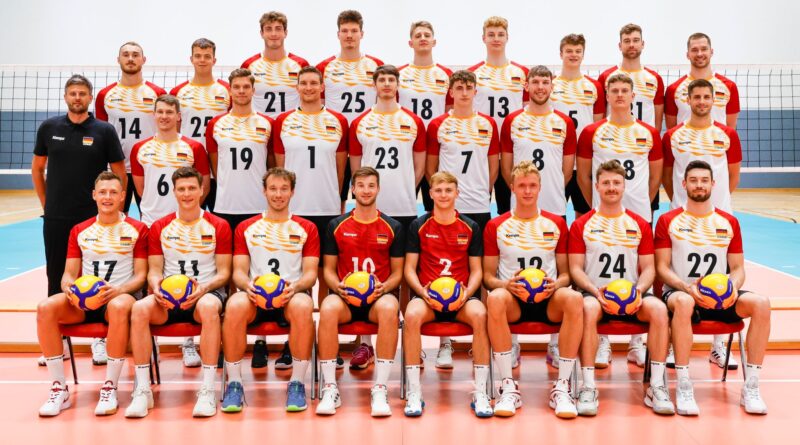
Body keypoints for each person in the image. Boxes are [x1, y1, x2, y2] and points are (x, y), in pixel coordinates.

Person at [655, 160, 770, 415]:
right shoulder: (667, 220)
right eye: (693, 180)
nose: (699, 185)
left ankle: (751, 386)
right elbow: (661, 268)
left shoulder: (728, 221)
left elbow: (738, 268)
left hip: (720, 297)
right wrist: (686, 287)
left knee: (761, 303)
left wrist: (732, 289)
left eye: (704, 180)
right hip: (682, 294)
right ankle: (684, 385)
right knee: (684, 303)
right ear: (684, 184)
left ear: (713, 184)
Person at [32, 74, 126, 367]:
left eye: (82, 93)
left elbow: (120, 173)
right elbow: (38, 169)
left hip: (93, 218)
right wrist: (48, 205)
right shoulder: (49, 128)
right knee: (56, 274)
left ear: (89, 97)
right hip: (58, 217)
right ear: (65, 97)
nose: (77, 97)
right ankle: (56, 341)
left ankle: (99, 339)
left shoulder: (104, 130)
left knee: (95, 276)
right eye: (72, 93)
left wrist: (114, 208)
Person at [37, 172, 147, 417]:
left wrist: (118, 290)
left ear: (122, 197)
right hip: (82, 303)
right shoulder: (80, 230)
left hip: (118, 298)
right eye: (103, 192)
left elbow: (141, 276)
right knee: (45, 307)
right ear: (94, 195)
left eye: (113, 192)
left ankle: (110, 387)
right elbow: (68, 274)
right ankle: (59, 388)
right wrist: (68, 288)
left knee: (119, 306)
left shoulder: (137, 229)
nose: (107, 197)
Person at [125, 167, 232, 418]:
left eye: (192, 188)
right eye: (181, 189)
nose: (187, 194)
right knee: (139, 308)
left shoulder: (218, 225)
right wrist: (158, 287)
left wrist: (203, 288)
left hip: (205, 294)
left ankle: (207, 389)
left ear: (202, 190)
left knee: (207, 307)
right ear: (174, 192)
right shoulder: (160, 226)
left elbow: (224, 273)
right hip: (168, 297)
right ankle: (142, 389)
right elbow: (153, 270)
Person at [569, 160, 673, 416]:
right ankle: (588, 386)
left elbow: (649, 267)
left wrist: (639, 290)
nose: (611, 188)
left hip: (632, 295)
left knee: (659, 311)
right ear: (597, 186)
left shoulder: (638, 223)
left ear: (624, 187)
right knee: (587, 308)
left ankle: (656, 385)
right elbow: (575, 269)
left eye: (616, 183)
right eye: (606, 183)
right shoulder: (582, 224)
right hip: (596, 294)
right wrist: (594, 291)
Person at [484, 161, 583, 418]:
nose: (527, 191)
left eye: (532, 186)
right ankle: (508, 386)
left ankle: (562, 386)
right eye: (522, 186)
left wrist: (556, 284)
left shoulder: (556, 224)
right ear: (512, 188)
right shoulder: (497, 226)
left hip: (548, 301)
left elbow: (566, 273)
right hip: (513, 302)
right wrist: (505, 284)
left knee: (573, 298)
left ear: (540, 188)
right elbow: (486, 276)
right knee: (494, 298)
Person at [576, 74, 662, 368]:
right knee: (600, 266)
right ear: (607, 95)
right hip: (603, 212)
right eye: (615, 90)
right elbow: (583, 175)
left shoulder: (648, 132)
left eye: (625, 90)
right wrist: (599, 206)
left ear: (633, 94)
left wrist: (639, 205)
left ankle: (637, 343)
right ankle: (602, 342)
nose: (620, 95)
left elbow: (655, 175)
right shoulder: (592, 132)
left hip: (638, 213)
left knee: (638, 271)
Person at [221, 167, 318, 413]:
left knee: (304, 304)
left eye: (284, 189)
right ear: (264, 191)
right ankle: (234, 383)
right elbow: (239, 272)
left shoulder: (307, 228)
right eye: (273, 189)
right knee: (233, 304)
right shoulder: (246, 227)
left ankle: (296, 383)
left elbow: (310, 274)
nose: (278, 194)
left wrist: (294, 288)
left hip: (289, 297)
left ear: (292, 192)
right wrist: (248, 287)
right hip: (255, 298)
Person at [317, 167, 404, 417]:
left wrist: (383, 288)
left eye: (371, 185)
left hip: (377, 298)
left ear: (378, 189)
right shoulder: (336, 225)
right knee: (328, 307)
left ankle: (380, 387)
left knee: (390, 307)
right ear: (353, 189)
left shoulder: (392, 226)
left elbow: (397, 273)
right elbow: (329, 271)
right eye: (361, 185)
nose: (366, 190)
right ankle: (330, 387)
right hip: (346, 299)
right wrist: (338, 288)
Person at [274, 66, 348, 354]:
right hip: (296, 210)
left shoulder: (337, 120)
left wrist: (338, 198)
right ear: (297, 87)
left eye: (313, 83)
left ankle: (326, 344)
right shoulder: (284, 121)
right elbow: (280, 166)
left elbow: (341, 168)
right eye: (303, 83)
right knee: (297, 276)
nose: (308, 87)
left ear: (321, 87)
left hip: (328, 206)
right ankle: (294, 344)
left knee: (327, 276)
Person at [402, 172, 489, 417]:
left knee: (481, 314)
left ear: (457, 193)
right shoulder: (418, 225)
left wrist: (466, 294)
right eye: (438, 190)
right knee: (411, 314)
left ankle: (481, 391)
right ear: (430, 194)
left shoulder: (470, 227)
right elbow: (409, 268)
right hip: (428, 298)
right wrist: (422, 292)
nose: (443, 195)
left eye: (448, 190)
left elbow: (477, 271)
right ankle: (414, 391)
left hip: (461, 299)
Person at [206, 68, 276, 368]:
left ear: (253, 90)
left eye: (247, 87)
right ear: (230, 91)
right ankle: (229, 339)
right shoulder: (217, 125)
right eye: (237, 87)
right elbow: (214, 164)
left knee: (260, 272)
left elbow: (272, 164)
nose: (242, 91)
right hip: (226, 207)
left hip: (257, 208)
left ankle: (260, 341)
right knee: (229, 278)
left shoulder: (266, 124)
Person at [317, 9, 384, 210]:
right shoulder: (325, 67)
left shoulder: (376, 65)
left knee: (368, 192)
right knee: (335, 197)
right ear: (338, 34)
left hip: (366, 138)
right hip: (334, 139)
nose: (349, 35)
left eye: (354, 30)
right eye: (344, 30)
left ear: (361, 34)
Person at [467, 16, 528, 217]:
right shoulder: (473, 73)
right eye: (491, 34)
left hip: (512, 148)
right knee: (477, 208)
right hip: (482, 148)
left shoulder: (521, 73)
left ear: (507, 38)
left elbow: (528, 111)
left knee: (508, 209)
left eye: (500, 34)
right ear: (483, 38)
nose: (496, 38)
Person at [95, 41, 167, 213]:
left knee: (151, 217)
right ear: (118, 59)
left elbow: (166, 130)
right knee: (116, 219)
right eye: (126, 54)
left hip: (149, 166)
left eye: (135, 55)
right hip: (116, 168)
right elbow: (102, 134)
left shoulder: (157, 93)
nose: (130, 58)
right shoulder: (105, 95)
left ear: (143, 60)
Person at [426, 70, 499, 233]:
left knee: (477, 256)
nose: (464, 93)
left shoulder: (488, 124)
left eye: (468, 88)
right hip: (448, 205)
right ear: (451, 92)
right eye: (459, 88)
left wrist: (484, 191)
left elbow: (493, 166)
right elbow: (430, 169)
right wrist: (441, 194)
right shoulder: (438, 124)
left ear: (475, 92)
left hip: (479, 203)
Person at [500, 65, 576, 218]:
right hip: (520, 207)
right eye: (535, 82)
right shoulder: (512, 120)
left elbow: (567, 173)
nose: (540, 87)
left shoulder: (565, 122)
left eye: (545, 82)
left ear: (552, 86)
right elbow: (506, 169)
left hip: (554, 206)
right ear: (527, 86)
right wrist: (522, 192)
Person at [130, 95, 211, 227]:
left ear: (178, 116)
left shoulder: (195, 148)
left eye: (169, 112)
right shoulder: (139, 148)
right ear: (154, 115)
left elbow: (205, 187)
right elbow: (141, 190)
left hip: (184, 221)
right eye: (160, 112)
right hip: (151, 221)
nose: (164, 116)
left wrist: (187, 211)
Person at [171, 38, 230, 212]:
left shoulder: (227, 90)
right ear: (191, 59)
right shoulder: (178, 92)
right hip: (191, 164)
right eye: (198, 56)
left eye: (207, 56)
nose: (202, 60)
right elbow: (175, 129)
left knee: (218, 218)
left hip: (219, 164)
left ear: (214, 60)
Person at [549, 33, 604, 221]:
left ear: (583, 54)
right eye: (569, 51)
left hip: (584, 161)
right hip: (558, 160)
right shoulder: (550, 86)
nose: (573, 55)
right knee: (554, 214)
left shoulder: (594, 86)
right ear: (560, 54)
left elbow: (598, 124)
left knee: (585, 215)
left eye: (578, 51)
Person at [241, 11, 310, 117]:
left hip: (291, 129)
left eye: (278, 28)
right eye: (268, 29)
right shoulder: (248, 65)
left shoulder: (301, 64)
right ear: (261, 33)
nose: (273, 34)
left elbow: (311, 100)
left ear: (285, 33)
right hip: (259, 129)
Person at [666, 33, 740, 130]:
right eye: (694, 50)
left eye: (704, 49)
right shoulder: (673, 89)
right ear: (687, 55)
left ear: (711, 52)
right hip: (686, 145)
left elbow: (730, 130)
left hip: (716, 144)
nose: (699, 54)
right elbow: (672, 131)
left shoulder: (729, 87)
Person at [598, 24, 664, 131]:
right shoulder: (606, 77)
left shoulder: (654, 78)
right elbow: (600, 116)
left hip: (643, 140)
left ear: (642, 44)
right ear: (620, 45)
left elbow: (657, 123)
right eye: (627, 41)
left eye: (636, 40)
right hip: (614, 138)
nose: (631, 45)